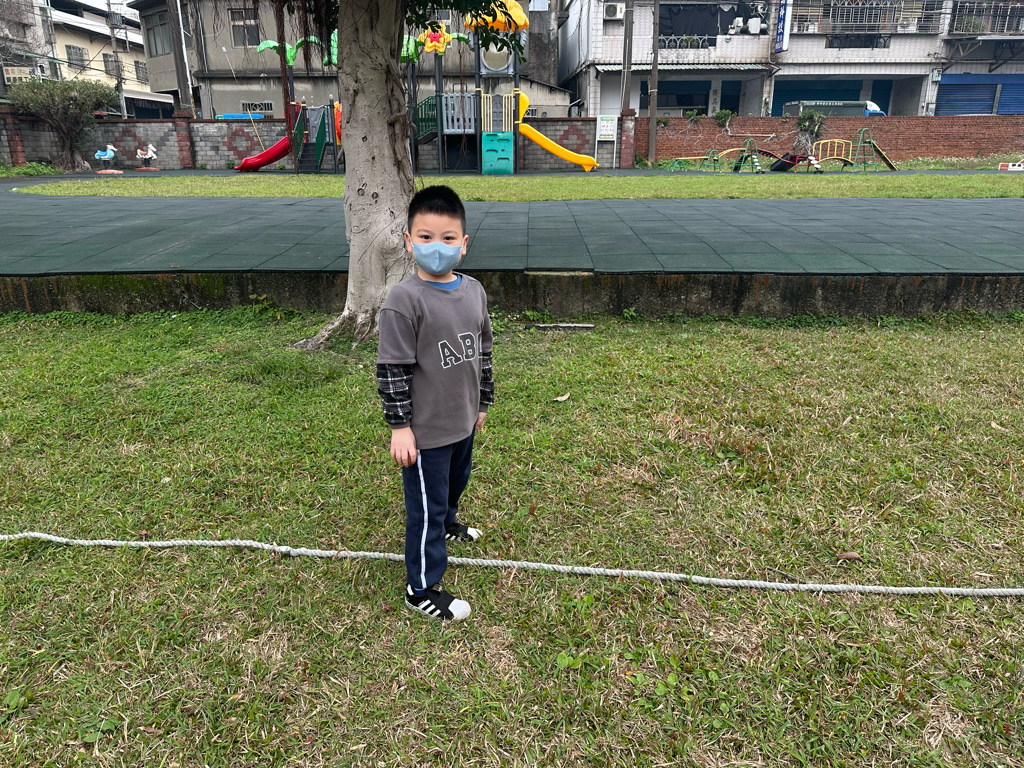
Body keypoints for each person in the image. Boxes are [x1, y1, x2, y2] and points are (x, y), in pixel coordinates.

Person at [376, 185, 494, 621]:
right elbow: (392, 369)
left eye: (447, 238)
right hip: (424, 432)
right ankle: (420, 587)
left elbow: (483, 351)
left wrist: (482, 403)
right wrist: (400, 428)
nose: (436, 247)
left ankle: (447, 524)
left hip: (462, 421)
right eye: (425, 237)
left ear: (463, 244)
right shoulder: (403, 301)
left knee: (454, 484)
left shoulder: (474, 291)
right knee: (424, 508)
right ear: (409, 241)